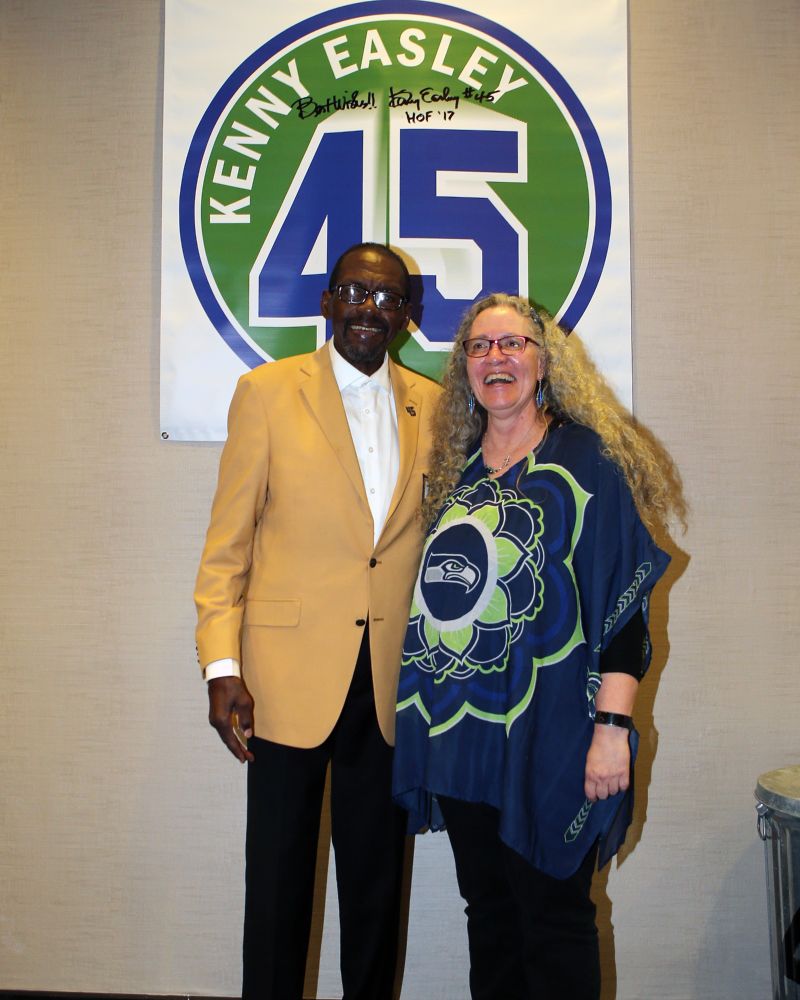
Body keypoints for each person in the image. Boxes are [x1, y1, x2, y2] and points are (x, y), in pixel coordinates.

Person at [392, 293, 683, 999]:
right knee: (489, 917)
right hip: (462, 737)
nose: (497, 359)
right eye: (481, 347)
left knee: (554, 920)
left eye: (514, 344)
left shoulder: (586, 464)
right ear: (464, 367)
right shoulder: (454, 473)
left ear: (544, 361)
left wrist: (613, 730)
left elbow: (626, 616)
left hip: (555, 739)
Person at [194, 242, 441, 1000]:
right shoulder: (267, 392)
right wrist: (221, 668)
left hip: (389, 687)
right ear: (328, 302)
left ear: (408, 315)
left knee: (375, 892)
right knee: (277, 885)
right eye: (355, 292)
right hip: (282, 682)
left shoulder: (433, 404)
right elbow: (226, 549)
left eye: (388, 297)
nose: (371, 308)